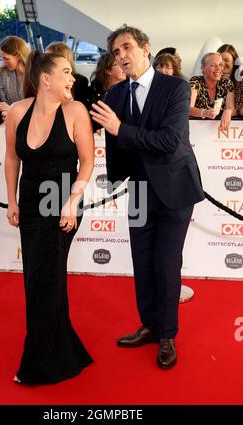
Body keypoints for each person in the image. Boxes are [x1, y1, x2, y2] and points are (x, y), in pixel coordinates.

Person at [90, 25, 205, 370]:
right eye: (116, 52)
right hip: (138, 190)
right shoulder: (113, 95)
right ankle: (150, 326)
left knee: (166, 263)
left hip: (174, 188)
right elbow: (112, 144)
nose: (121, 56)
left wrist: (121, 129)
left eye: (126, 48)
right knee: (142, 261)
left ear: (145, 49)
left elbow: (170, 141)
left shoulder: (176, 88)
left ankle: (167, 334)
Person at [5, 51, 94, 384]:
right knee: (39, 280)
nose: (73, 79)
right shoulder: (17, 112)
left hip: (62, 208)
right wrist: (12, 201)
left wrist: (73, 201)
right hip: (29, 206)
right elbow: (12, 159)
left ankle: (39, 365)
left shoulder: (75, 111)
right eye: (67, 73)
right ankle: (64, 349)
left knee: (47, 281)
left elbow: (87, 162)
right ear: (45, 79)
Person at [190, 52, 236, 130]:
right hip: (198, 131)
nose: (218, 69)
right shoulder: (195, 82)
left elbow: (232, 108)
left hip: (219, 133)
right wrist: (205, 113)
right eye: (213, 65)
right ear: (203, 68)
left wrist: (228, 111)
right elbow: (188, 108)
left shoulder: (227, 83)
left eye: (220, 65)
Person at [45, 41, 90, 109]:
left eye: (49, 58)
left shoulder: (79, 81)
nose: (44, 61)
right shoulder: (45, 78)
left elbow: (81, 109)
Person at [0, 36, 30, 121]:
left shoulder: (34, 75)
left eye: (6, 58)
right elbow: (5, 104)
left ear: (18, 56)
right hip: (13, 123)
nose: (3, 62)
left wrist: (11, 109)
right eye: (2, 58)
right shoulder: (2, 74)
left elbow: (39, 107)